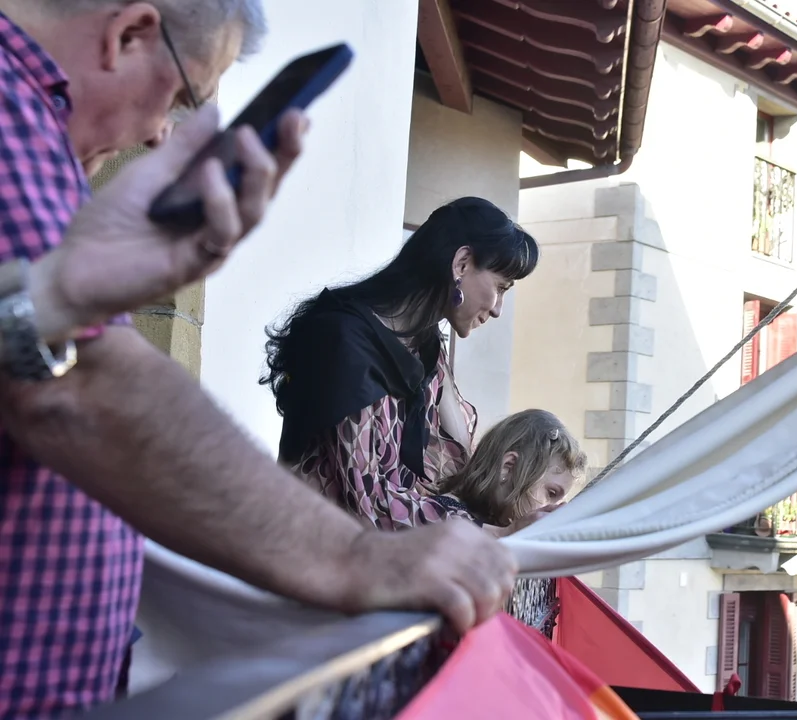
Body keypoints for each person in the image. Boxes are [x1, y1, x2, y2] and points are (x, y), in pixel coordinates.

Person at [0, 2, 515, 716]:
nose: (159, 135)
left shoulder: (42, 142)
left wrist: (59, 295)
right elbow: (81, 391)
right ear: (130, 34)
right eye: (181, 97)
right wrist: (353, 556)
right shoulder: (13, 120)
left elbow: (39, 360)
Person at [263, 197, 541, 533]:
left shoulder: (425, 348)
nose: (498, 309)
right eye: (500, 287)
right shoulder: (345, 341)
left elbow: (458, 468)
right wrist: (495, 533)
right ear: (462, 264)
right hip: (301, 548)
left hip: (370, 555)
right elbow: (371, 503)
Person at [434, 409, 587, 535]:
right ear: (508, 466)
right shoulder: (440, 514)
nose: (555, 511)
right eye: (551, 493)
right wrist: (507, 533)